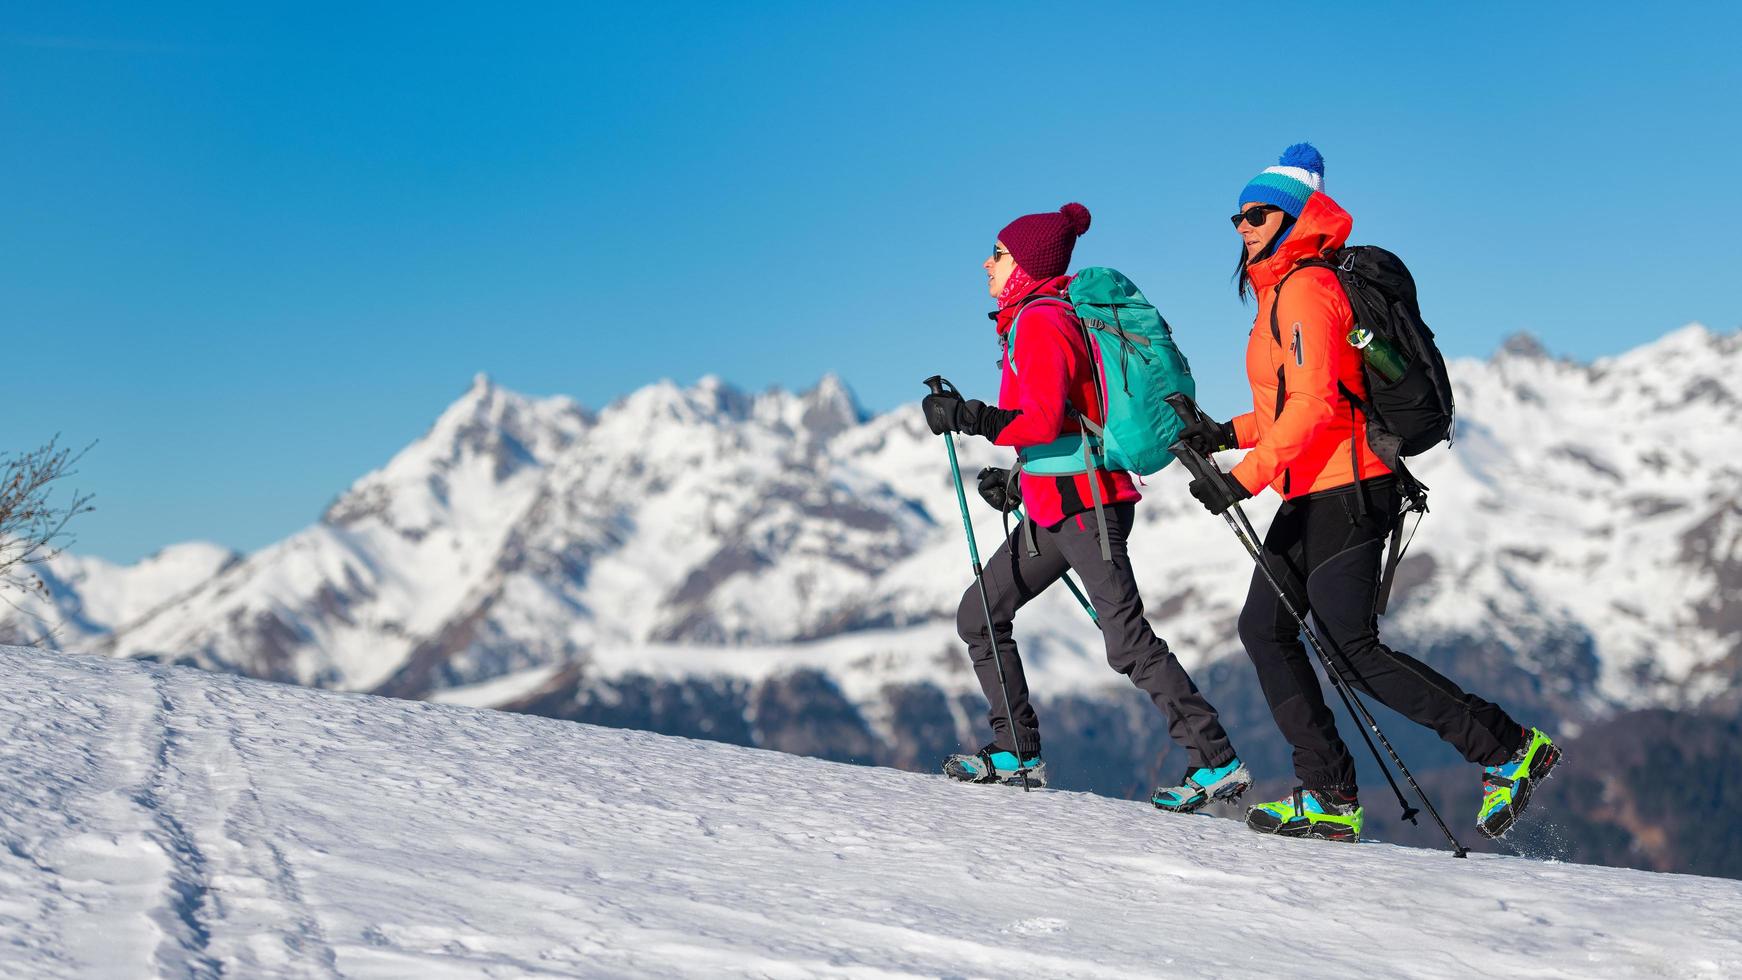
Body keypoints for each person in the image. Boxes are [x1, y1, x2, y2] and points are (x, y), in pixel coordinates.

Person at [1180, 143, 1559, 841]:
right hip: (1314, 488)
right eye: (1236, 216)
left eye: (1257, 213)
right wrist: (1220, 435)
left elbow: (1319, 406)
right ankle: (1328, 790)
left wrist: (1244, 477)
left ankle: (1509, 749)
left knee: (1352, 649)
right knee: (1264, 628)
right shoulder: (1277, 295)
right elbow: (1282, 412)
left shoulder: (1306, 288)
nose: (1242, 226)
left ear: (1293, 216)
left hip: (1353, 489)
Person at [921, 202, 1248, 812]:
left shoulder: (1041, 322)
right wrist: (1019, 483)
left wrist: (970, 417)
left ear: (1024, 265)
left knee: (1125, 640)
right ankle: (1017, 750)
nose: (985, 263)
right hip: (1054, 503)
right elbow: (1069, 423)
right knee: (981, 614)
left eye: (997, 254)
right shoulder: (1031, 318)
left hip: (1085, 509)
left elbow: (1043, 419)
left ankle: (1216, 760)